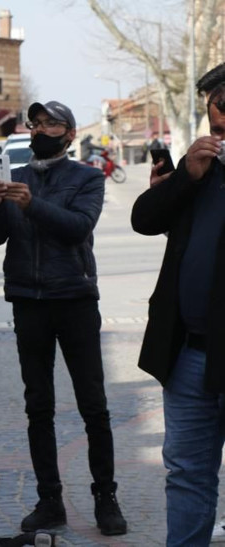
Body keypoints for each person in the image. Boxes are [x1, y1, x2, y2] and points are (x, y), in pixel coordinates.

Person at [0, 100, 127, 537]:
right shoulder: (15, 176)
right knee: (37, 407)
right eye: (36, 123)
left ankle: (106, 497)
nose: (42, 129)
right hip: (29, 300)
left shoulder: (87, 177)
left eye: (52, 124)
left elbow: (78, 226)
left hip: (74, 298)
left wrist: (30, 206)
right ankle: (49, 499)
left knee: (93, 406)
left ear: (70, 134)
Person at [131, 62, 225, 547]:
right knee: (187, 474)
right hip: (188, 354)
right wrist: (182, 179)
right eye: (216, 117)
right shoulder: (200, 170)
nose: (221, 128)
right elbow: (143, 220)